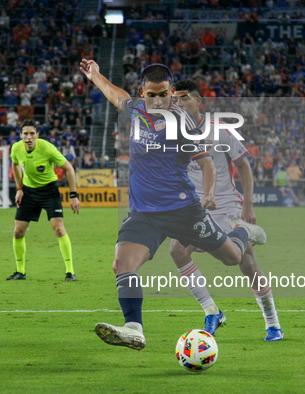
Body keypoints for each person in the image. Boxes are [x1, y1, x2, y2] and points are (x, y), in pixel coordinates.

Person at [80, 59, 267, 350]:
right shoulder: (136, 110)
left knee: (232, 257)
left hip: (183, 211)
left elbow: (206, 163)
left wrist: (208, 195)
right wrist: (95, 76)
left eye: (163, 94)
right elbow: (115, 95)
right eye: (151, 94)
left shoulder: (182, 121)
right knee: (122, 263)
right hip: (144, 214)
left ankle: (244, 231)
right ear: (142, 93)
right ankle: (134, 329)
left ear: (171, 92)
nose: (157, 100)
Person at [169, 79, 283, 341]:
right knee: (177, 250)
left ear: (199, 102)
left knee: (246, 263)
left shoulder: (219, 131)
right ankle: (212, 311)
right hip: (194, 208)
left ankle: (272, 323)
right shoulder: (173, 133)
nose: (179, 102)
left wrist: (248, 204)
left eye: (185, 97)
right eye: (176, 98)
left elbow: (244, 166)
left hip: (226, 205)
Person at [8, 119, 81, 282]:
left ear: (37, 135)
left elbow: (69, 168)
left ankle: (70, 271)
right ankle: (20, 271)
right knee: (18, 231)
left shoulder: (48, 148)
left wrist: (73, 195)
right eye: (25, 134)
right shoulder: (16, 148)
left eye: (32, 134)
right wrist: (19, 189)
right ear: (20, 135)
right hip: (28, 192)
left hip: (49, 191)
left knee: (58, 229)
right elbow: (15, 165)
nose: (28, 137)